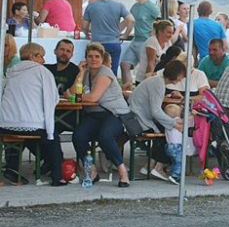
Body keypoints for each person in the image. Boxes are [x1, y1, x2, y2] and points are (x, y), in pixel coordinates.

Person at [0, 42, 65, 186]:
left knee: (20, 136)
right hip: (31, 124)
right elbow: (51, 99)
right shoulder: (42, 72)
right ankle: (57, 177)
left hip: (5, 123)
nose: (43, 60)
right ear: (32, 56)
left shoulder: (11, 71)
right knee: (52, 139)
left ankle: (12, 168)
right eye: (41, 56)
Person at [71, 42, 132, 187]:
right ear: (86, 58)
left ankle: (123, 172)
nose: (93, 59)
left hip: (113, 114)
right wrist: (80, 73)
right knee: (78, 136)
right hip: (94, 115)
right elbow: (72, 92)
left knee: (105, 137)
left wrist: (76, 97)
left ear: (102, 58)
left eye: (97, 56)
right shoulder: (86, 72)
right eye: (90, 56)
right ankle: (92, 171)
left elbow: (93, 97)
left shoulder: (105, 72)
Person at [128, 61, 187, 183]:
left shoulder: (157, 81)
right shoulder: (158, 84)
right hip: (140, 120)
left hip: (137, 117)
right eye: (181, 76)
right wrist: (174, 123)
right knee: (171, 133)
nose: (181, 79)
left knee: (165, 127)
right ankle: (159, 166)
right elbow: (156, 111)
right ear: (176, 74)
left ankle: (150, 165)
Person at [82, 0, 135, 76]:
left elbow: (84, 27)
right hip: (113, 43)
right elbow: (131, 20)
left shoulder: (91, 6)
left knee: (94, 71)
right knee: (112, 71)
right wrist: (125, 35)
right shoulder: (119, 5)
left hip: (96, 44)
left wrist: (87, 34)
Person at [121, 0, 161, 88]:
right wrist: (118, 32)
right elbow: (128, 21)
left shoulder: (151, 6)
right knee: (124, 64)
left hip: (145, 41)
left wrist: (155, 32)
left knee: (145, 68)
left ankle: (144, 89)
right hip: (135, 39)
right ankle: (127, 88)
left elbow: (161, 20)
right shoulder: (135, 7)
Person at [134, 19, 173, 85]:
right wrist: (148, 81)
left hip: (157, 78)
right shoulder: (152, 42)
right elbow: (151, 64)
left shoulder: (168, 43)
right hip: (144, 79)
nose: (171, 35)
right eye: (169, 32)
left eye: (172, 33)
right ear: (160, 32)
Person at [163, 104, 184, 185]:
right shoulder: (176, 120)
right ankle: (175, 176)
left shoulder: (167, 122)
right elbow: (184, 121)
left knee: (175, 161)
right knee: (179, 162)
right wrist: (192, 115)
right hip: (176, 146)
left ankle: (172, 171)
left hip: (169, 146)